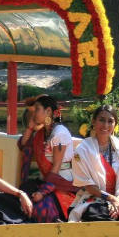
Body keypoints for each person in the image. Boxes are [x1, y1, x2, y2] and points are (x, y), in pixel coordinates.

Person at [69, 104, 119, 221]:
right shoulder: (82, 150)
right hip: (92, 198)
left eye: (110, 121)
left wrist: (117, 201)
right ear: (93, 122)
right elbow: (88, 186)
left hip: (118, 198)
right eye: (101, 120)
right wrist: (111, 200)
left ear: (115, 125)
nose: (105, 125)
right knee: (97, 215)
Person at [16, 94, 76, 222]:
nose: (34, 114)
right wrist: (30, 127)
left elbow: (56, 169)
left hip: (63, 185)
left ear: (48, 111)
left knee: (38, 209)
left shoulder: (60, 133)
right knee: (22, 196)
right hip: (49, 182)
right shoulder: (41, 133)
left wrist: (42, 192)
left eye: (37, 109)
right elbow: (23, 144)